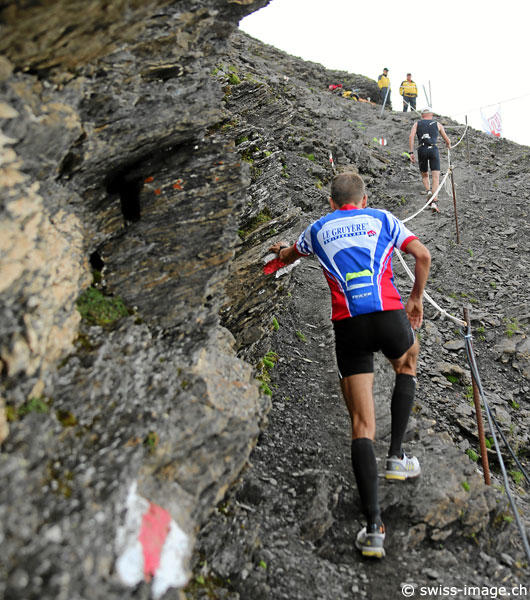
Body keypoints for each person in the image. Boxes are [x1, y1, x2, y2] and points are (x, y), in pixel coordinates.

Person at [269, 172, 431, 559]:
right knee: (407, 361)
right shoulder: (382, 219)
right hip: (389, 315)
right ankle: (396, 457)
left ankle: (373, 528)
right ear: (364, 199)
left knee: (361, 424)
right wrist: (416, 298)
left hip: (349, 326)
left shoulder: (317, 229)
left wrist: (280, 251)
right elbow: (423, 256)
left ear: (331, 203)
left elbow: (289, 256)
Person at [409, 107, 451, 212]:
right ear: (431, 114)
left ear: (422, 115)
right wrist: (448, 145)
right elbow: (447, 140)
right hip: (433, 149)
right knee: (435, 176)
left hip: (422, 149)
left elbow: (411, 136)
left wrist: (411, 152)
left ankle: (428, 191)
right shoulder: (437, 124)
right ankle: (434, 201)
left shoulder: (417, 124)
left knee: (425, 174)